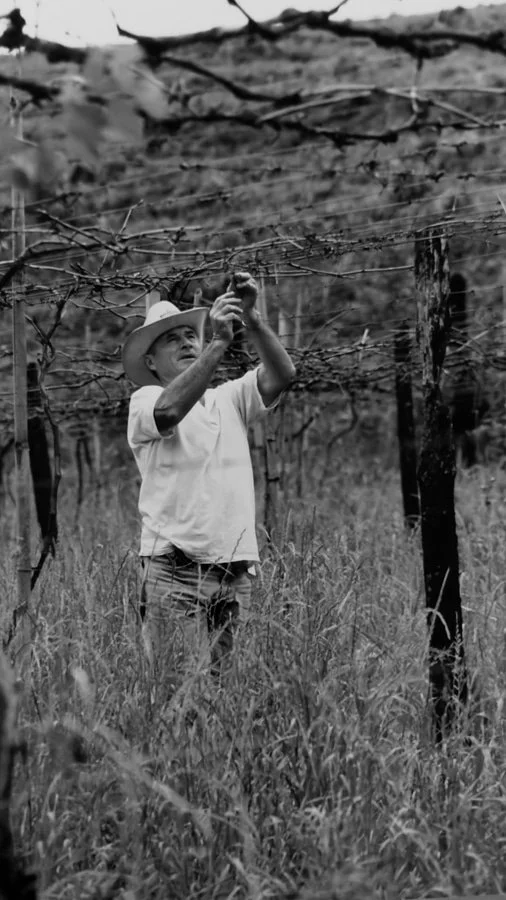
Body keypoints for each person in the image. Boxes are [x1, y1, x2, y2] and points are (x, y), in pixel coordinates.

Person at [122, 272, 295, 691]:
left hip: (233, 573)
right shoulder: (145, 400)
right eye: (171, 339)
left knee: (230, 694)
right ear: (150, 361)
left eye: (190, 334)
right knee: (176, 693)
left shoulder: (227, 399)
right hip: (174, 569)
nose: (185, 342)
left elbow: (283, 375)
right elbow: (168, 413)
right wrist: (219, 343)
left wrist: (251, 318)